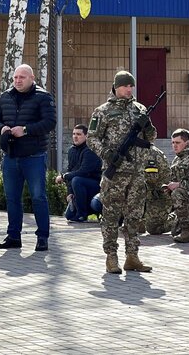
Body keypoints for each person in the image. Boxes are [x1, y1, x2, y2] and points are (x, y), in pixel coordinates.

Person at [87, 70, 156, 274]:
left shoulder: (139, 109)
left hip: (137, 171)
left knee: (134, 215)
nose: (129, 89)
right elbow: (92, 138)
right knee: (111, 215)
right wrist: (107, 154)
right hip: (116, 172)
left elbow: (151, 137)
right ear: (116, 87)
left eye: (131, 86)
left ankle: (132, 256)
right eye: (126, 86)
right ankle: (111, 257)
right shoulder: (103, 111)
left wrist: (148, 125)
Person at [0, 64, 56, 252]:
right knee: (12, 198)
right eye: (15, 77)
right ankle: (13, 236)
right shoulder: (6, 96)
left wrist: (25, 130)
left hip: (34, 155)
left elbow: (50, 122)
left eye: (22, 77)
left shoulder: (43, 97)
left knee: (38, 197)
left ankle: (42, 237)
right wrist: (1, 128)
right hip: (11, 156)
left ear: (32, 78)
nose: (18, 81)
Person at [56, 124, 101, 223]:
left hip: (95, 186)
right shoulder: (72, 150)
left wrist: (64, 176)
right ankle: (81, 211)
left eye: (79, 134)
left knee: (77, 179)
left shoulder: (90, 150)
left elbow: (83, 172)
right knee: (69, 216)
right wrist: (70, 192)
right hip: (80, 187)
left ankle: (82, 214)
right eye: (74, 134)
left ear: (86, 136)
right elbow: (70, 171)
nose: (75, 136)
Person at [140, 145, 171, 235]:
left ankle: (179, 218)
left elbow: (152, 180)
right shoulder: (133, 151)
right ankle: (136, 222)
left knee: (154, 228)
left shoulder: (152, 153)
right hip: (147, 194)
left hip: (158, 196)